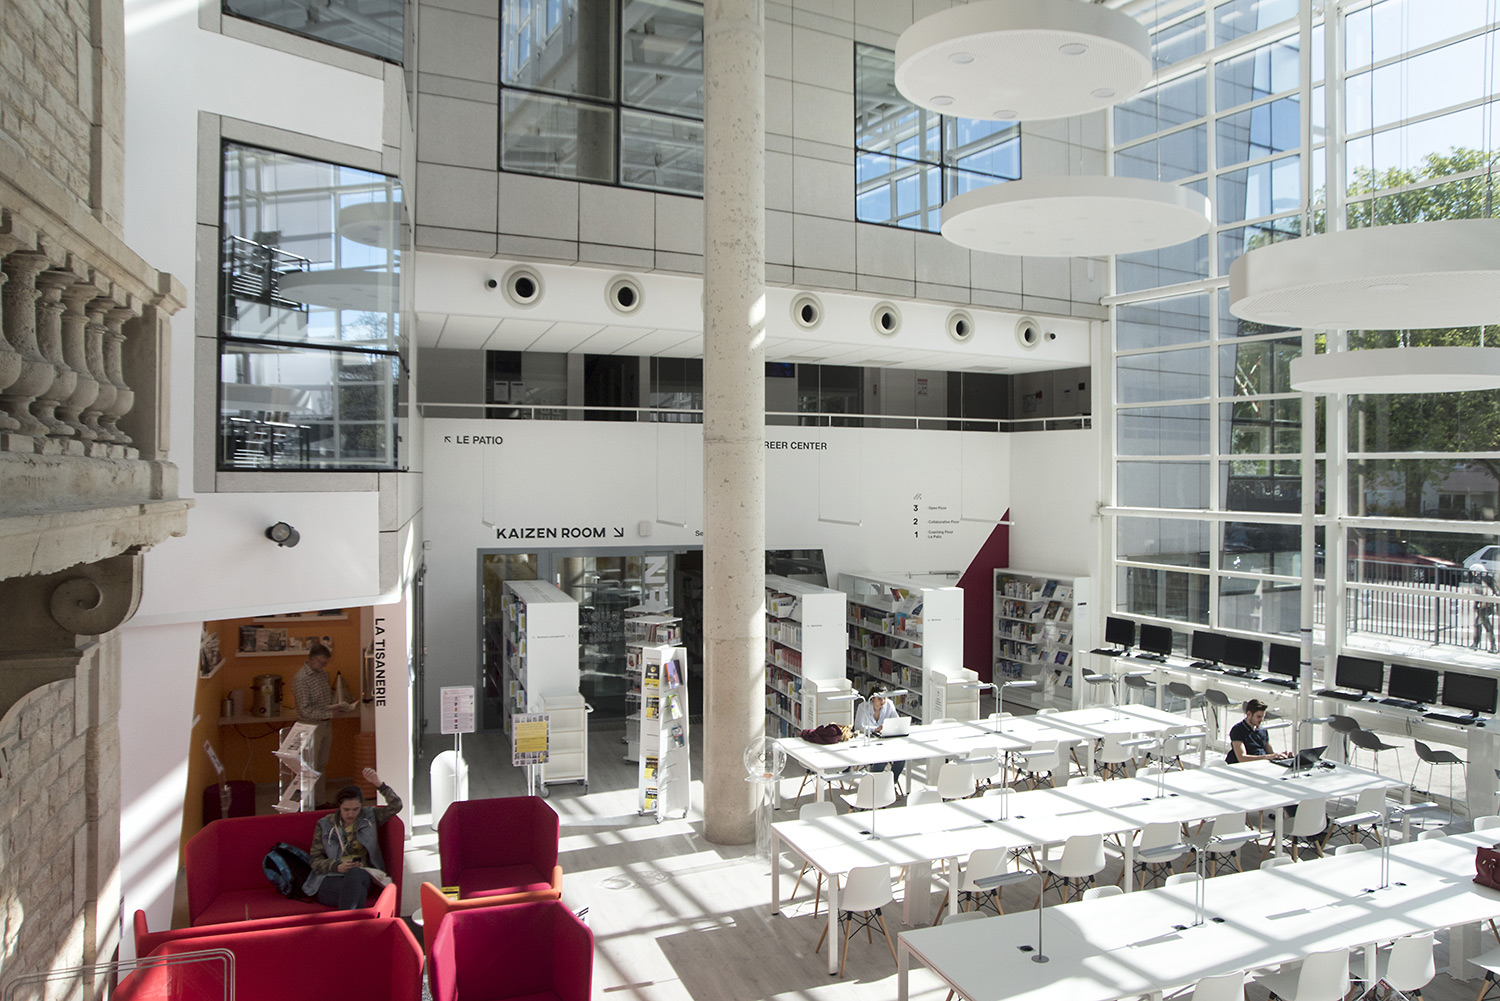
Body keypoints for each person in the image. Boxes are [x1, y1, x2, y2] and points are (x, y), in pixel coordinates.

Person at [304, 767, 402, 909]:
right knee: (357, 893)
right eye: (346, 810)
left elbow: (396, 805)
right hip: (332, 876)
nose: (351, 814)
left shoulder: (369, 816)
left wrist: (379, 784)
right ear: (339, 807)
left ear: (361, 807)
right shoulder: (325, 824)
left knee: (355, 876)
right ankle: (355, 918)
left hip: (362, 873)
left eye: (355, 809)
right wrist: (337, 866)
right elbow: (315, 860)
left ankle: (347, 919)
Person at [291, 644, 354, 808]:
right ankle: (306, 803)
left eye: (326, 663)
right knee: (309, 766)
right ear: (312, 659)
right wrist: (330, 714)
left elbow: (325, 701)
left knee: (320, 764)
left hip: (325, 724)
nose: (324, 666)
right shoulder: (301, 679)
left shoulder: (322, 675)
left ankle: (319, 801)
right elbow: (304, 710)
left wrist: (337, 707)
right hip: (310, 726)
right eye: (321, 662)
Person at [855, 690, 905, 790]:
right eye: (880, 699)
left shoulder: (889, 704)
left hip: (885, 740)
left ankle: (891, 783)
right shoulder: (863, 706)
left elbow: (896, 721)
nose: (883, 701)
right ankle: (874, 785)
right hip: (869, 741)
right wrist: (875, 729)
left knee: (901, 758)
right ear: (873, 698)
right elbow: (859, 726)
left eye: (885, 698)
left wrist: (888, 727)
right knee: (882, 758)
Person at [1226, 699, 1290, 764]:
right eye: (1259, 717)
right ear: (1249, 714)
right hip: (1244, 765)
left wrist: (1281, 756)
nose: (1261, 720)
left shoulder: (1262, 729)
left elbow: (1270, 752)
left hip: (1262, 763)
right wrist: (1267, 757)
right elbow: (1242, 758)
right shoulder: (1238, 730)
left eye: (1263, 717)